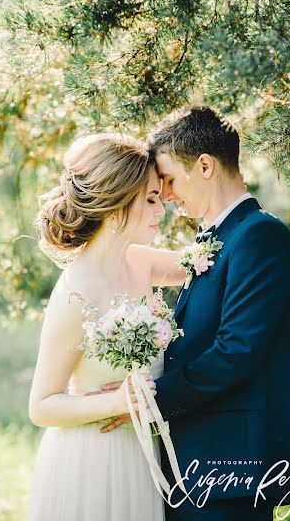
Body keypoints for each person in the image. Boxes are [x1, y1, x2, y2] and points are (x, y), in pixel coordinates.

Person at [101, 107, 290, 521]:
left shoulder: (261, 237)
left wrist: (147, 403)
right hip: (198, 461)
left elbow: (236, 352)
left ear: (206, 165)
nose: (170, 195)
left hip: (230, 464)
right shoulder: (220, 239)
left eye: (171, 179)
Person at [27, 132, 186, 521]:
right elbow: (41, 407)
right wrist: (116, 403)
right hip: (92, 458)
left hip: (141, 456)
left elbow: (209, 263)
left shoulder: (141, 261)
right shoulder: (74, 292)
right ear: (116, 204)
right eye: (150, 199)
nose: (160, 210)